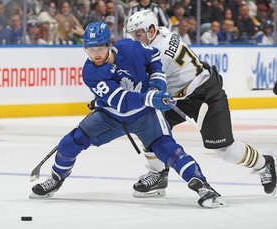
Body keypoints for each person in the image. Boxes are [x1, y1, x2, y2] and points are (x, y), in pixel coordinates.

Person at [30, 21, 226, 208]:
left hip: (145, 116)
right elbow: (122, 102)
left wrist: (157, 81)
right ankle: (55, 179)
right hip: (111, 116)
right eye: (90, 50)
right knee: (69, 143)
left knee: (168, 150)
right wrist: (150, 98)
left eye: (99, 49)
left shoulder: (130, 48)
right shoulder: (90, 72)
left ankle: (203, 187)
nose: (95, 55)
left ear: (110, 44)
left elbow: (154, 57)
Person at [126, 9, 277, 198]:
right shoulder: (162, 32)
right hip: (181, 97)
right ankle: (158, 174)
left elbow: (143, 85)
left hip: (206, 94)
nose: (134, 39)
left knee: (226, 150)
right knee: (148, 125)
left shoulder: (159, 54)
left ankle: (265, 163)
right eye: (132, 34)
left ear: (150, 30)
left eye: (137, 34)